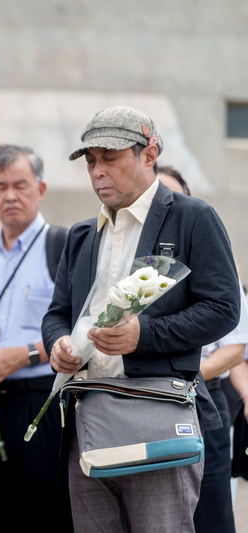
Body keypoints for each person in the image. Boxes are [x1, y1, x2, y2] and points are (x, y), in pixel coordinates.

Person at [44, 105, 241, 532]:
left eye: (109, 158)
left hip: (157, 411)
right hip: (88, 417)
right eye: (91, 161)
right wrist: (58, 345)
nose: (98, 171)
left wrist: (143, 335)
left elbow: (225, 309)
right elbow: (58, 313)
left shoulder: (192, 217)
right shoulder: (81, 235)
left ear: (148, 154)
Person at [0, 144, 72, 533]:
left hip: (42, 404)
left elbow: (83, 330)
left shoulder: (62, 246)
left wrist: (22, 355)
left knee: (47, 516)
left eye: (21, 185)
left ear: (40, 190)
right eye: (0, 186)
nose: (10, 196)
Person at [158, 164, 248, 533]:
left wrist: (178, 378)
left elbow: (234, 350)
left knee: (210, 517)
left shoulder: (213, 265)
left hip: (202, 405)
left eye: (171, 199)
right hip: (140, 412)